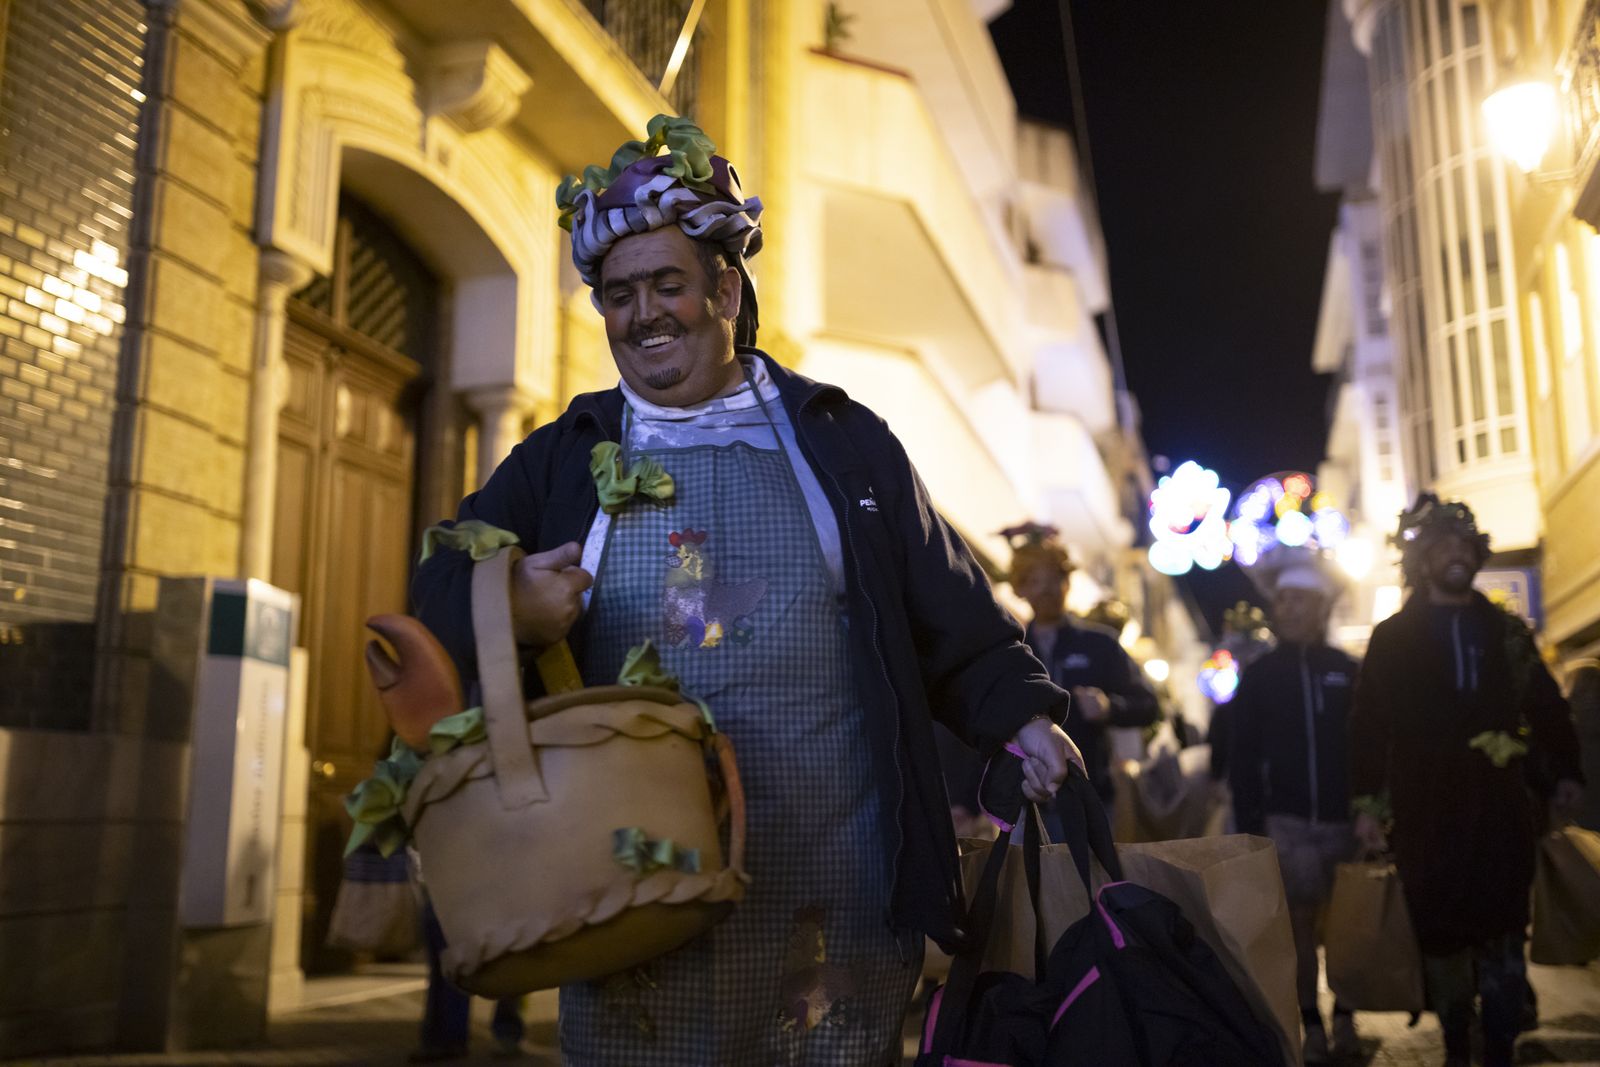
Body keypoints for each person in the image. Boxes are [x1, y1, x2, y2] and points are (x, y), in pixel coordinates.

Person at [411, 116, 1080, 1066]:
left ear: (725, 287)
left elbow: (952, 614)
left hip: (833, 896)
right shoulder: (566, 455)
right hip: (634, 907)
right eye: (618, 294)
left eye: (668, 285)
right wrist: (506, 598)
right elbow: (436, 577)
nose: (643, 314)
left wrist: (1023, 718)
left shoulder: (842, 444)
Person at [1350, 495, 1585, 1067]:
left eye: (1465, 545)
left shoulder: (1505, 630)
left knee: (1505, 921)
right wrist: (1366, 806)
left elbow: (1547, 706)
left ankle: (1500, 1041)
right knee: (1440, 923)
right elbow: (1368, 725)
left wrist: (1565, 773)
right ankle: (1457, 1038)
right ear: (1422, 559)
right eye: (1442, 546)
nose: (1456, 555)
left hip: (1500, 804)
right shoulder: (1392, 637)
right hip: (1425, 806)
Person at [1226, 549, 1358, 1063]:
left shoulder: (1347, 670)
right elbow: (1242, 758)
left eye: (1298, 599)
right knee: (1299, 928)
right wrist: (1252, 827)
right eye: (1281, 600)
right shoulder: (1260, 677)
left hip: (1344, 820)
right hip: (1286, 822)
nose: (1287, 609)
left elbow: (1370, 745)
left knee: (1344, 924)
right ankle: (1311, 1022)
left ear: (1321, 606)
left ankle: (1346, 1012)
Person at [1002, 524, 1160, 810]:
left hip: (1090, 795)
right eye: (1035, 581)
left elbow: (1148, 705)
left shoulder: (1100, 644)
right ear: (1020, 588)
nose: (1047, 590)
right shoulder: (1009, 650)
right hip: (1025, 799)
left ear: (1067, 582)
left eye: (1054, 579)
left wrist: (1109, 707)